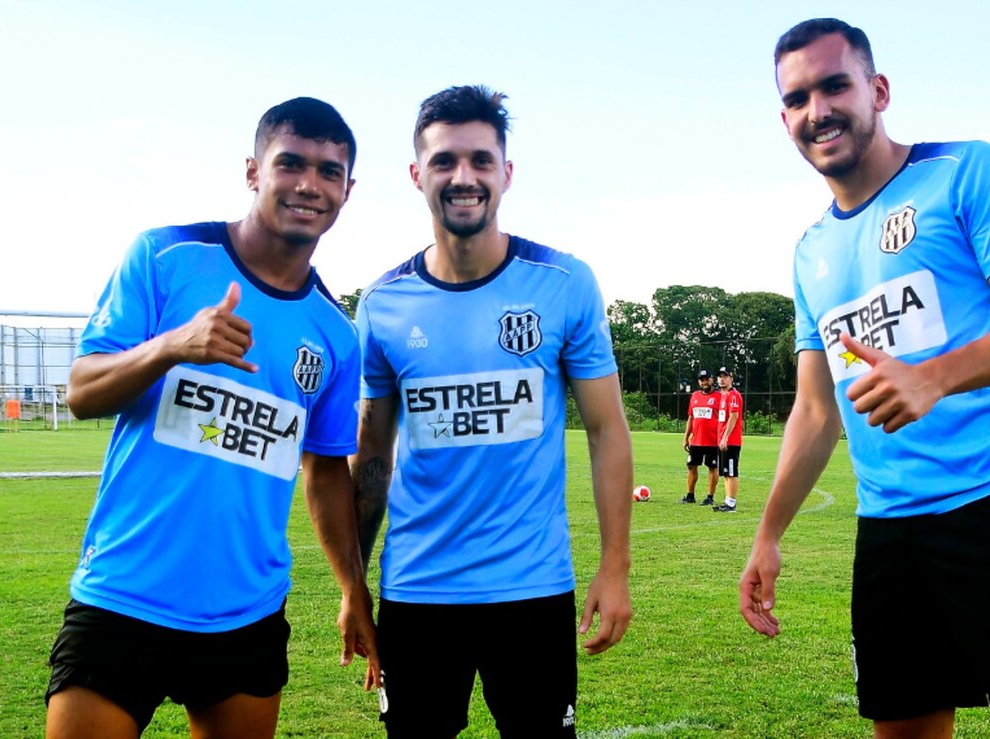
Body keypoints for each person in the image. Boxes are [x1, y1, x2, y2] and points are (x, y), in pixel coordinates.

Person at [738, 18, 990, 739]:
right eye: (798, 97)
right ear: (785, 120)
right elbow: (815, 410)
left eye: (835, 85)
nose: (819, 110)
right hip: (890, 531)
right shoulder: (811, 251)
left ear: (877, 90)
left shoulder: (965, 171)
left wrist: (934, 377)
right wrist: (768, 533)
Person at [44, 98, 379, 739]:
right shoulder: (166, 257)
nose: (310, 185)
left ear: (347, 190)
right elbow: (82, 392)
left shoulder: (336, 332)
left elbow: (326, 469)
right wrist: (174, 345)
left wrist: (351, 587)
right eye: (291, 164)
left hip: (245, 613)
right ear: (253, 171)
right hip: (124, 596)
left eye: (329, 172)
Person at [351, 84, 633, 738]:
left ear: (506, 173)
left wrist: (614, 564)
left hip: (532, 590)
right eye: (445, 160)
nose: (463, 176)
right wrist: (353, 585)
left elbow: (605, 428)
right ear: (416, 174)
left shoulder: (563, 283)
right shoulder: (383, 304)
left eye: (481, 160)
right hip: (418, 590)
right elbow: (369, 457)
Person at [681, 369, 721, 505]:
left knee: (712, 467)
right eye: (701, 379)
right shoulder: (695, 396)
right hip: (696, 440)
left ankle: (710, 497)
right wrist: (686, 437)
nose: (704, 382)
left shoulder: (720, 397)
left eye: (707, 379)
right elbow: (691, 417)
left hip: (713, 441)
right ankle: (690, 495)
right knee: (692, 466)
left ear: (712, 380)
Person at [713, 367, 743, 512]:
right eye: (719, 377)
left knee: (731, 471)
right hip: (723, 440)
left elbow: (734, 416)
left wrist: (725, 437)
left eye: (725, 376)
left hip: (731, 441)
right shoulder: (722, 395)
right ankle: (727, 501)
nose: (722, 379)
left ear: (731, 378)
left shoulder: (733, 395)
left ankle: (731, 503)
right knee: (725, 472)